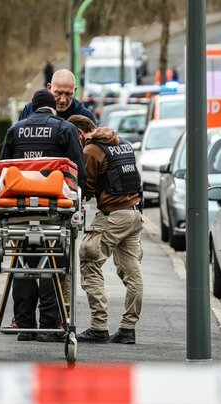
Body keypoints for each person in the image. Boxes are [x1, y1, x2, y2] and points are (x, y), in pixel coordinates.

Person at [0, 89, 86, 342]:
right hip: (53, 211)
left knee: (22, 262)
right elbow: (78, 170)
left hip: (18, 211)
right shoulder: (64, 129)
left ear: (33, 107)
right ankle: (49, 325)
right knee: (52, 262)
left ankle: (25, 325)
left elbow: (4, 169)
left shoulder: (15, 130)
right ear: (53, 108)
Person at [67, 114, 144, 345]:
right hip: (134, 213)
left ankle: (99, 326)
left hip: (112, 215)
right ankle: (128, 329)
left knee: (89, 259)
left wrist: (73, 201)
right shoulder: (122, 143)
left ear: (80, 133)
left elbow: (87, 187)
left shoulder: (92, 150)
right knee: (132, 272)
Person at [20, 69, 97, 124]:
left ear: (75, 90)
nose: (63, 100)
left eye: (68, 94)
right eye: (58, 93)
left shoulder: (85, 117)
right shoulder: (29, 110)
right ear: (49, 88)